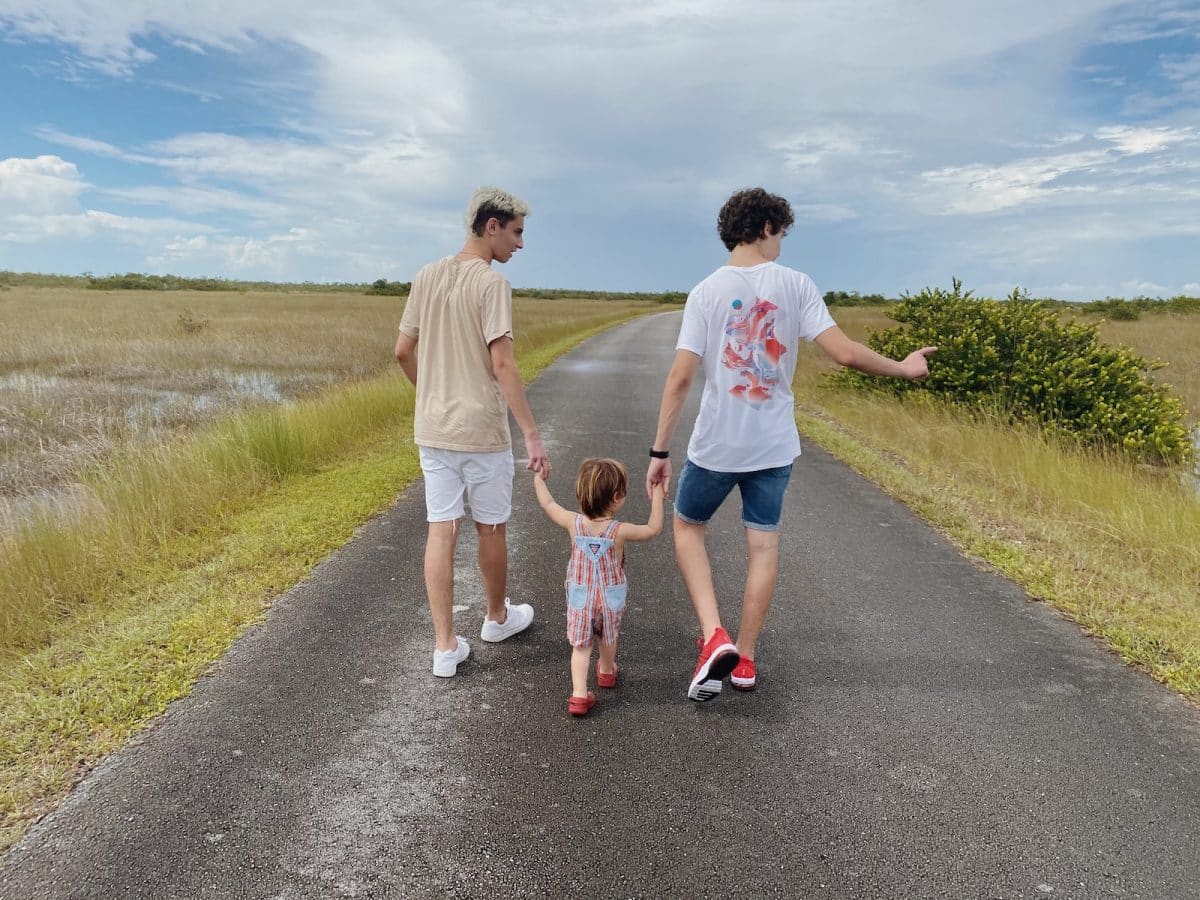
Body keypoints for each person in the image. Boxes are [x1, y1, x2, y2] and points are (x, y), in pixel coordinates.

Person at [646, 187, 936, 701]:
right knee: (762, 545)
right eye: (780, 233)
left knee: (689, 528)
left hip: (716, 445)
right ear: (764, 228)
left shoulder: (705, 292)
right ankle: (746, 661)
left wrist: (660, 452)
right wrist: (905, 368)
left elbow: (679, 379)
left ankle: (715, 635)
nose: (781, 243)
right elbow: (844, 353)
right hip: (774, 445)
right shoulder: (796, 285)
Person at [394, 186, 551, 678]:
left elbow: (402, 350)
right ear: (491, 226)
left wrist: (431, 394)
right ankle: (496, 618)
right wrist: (531, 434)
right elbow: (502, 364)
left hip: (433, 430)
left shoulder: (425, 275)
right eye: (517, 232)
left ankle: (444, 647)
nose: (520, 244)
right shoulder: (492, 285)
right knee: (491, 527)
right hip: (481, 431)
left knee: (441, 530)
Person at [533, 459, 665, 716]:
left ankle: (579, 695)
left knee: (581, 647)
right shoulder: (620, 531)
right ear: (617, 497)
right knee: (608, 636)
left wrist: (539, 480)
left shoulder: (573, 522)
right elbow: (652, 529)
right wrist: (657, 497)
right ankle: (606, 671)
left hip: (580, 597)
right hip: (610, 598)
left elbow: (549, 504)